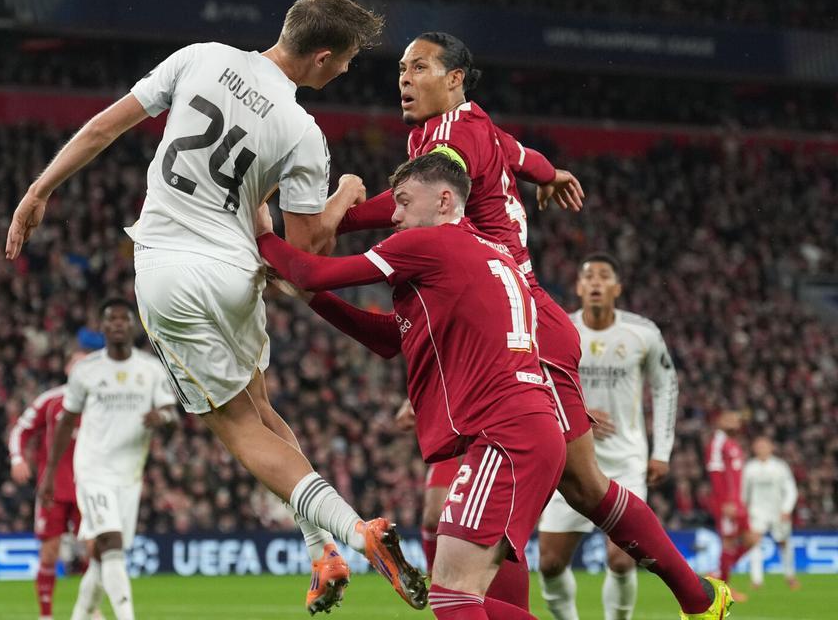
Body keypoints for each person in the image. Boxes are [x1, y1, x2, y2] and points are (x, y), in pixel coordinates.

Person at [5, 0, 427, 612]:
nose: (345, 71)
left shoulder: (200, 57)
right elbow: (307, 250)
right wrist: (343, 196)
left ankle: (356, 532)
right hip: (236, 273)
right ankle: (323, 551)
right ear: (322, 56)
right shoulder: (302, 131)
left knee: (236, 428)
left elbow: (104, 126)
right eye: (347, 61)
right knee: (260, 408)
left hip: (170, 270)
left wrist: (39, 190)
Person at [335, 31, 730, 620]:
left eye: (418, 67)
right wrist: (551, 173)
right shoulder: (472, 126)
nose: (404, 79)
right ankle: (698, 598)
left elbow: (417, 201)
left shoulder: (449, 139)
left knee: (488, 510)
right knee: (573, 490)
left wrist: (335, 215)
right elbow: (520, 153)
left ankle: (696, 598)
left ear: (456, 79)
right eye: (400, 69)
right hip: (512, 319)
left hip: (511, 325)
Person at [259, 154, 566, 620]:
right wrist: (311, 298)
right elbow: (389, 340)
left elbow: (311, 269)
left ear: (444, 200)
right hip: (522, 430)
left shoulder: (432, 244)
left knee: (452, 596)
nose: (394, 215)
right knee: (469, 597)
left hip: (506, 435)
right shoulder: (483, 251)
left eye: (402, 202)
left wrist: (259, 236)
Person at [537, 253, 679, 620]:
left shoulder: (642, 333)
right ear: (579, 288)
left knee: (622, 559)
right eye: (589, 276)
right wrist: (577, 413)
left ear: (617, 288)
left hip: (626, 461)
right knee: (550, 563)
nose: (596, 282)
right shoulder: (557, 329)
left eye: (604, 276)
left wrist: (661, 451)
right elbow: (534, 383)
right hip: (570, 459)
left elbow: (666, 387)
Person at [40, 299, 178, 620]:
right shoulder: (86, 371)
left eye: (123, 319)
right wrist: (49, 474)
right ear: (102, 328)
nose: (117, 324)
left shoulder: (151, 370)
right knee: (110, 541)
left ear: (133, 326)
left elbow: (172, 414)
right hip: (93, 470)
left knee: (105, 555)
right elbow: (65, 422)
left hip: (129, 476)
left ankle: (81, 613)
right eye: (110, 319)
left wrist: (163, 418)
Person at [9, 351, 104, 620]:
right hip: (54, 490)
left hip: (90, 488)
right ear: (67, 368)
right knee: (50, 552)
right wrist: (18, 459)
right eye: (76, 362)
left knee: (94, 551)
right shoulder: (50, 400)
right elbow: (20, 429)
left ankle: (91, 609)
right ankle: (46, 615)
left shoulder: (101, 401)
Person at [395, 400, 460, 572]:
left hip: (484, 440)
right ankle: (433, 573)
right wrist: (410, 404)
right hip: (452, 446)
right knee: (433, 516)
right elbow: (403, 421)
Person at [707, 410, 761, 599]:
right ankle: (723, 588)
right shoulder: (718, 443)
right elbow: (715, 474)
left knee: (752, 539)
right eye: (728, 418)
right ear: (719, 422)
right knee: (729, 542)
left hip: (737, 502)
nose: (734, 421)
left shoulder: (732, 443)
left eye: (735, 418)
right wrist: (725, 502)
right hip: (727, 503)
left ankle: (717, 574)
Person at [742, 436, 799, 591]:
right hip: (756, 511)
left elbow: (791, 489)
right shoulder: (749, 467)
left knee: (784, 542)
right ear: (754, 449)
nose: (762, 449)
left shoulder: (780, 466)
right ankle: (757, 580)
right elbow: (744, 492)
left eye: (764, 446)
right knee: (755, 543)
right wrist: (744, 511)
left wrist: (786, 509)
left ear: (771, 447)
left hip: (778, 511)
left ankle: (790, 576)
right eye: (759, 446)